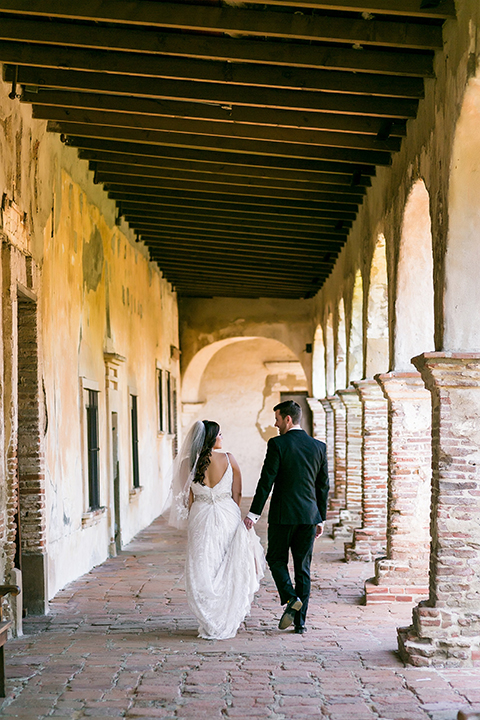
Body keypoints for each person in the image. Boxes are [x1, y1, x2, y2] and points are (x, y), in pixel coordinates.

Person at [168, 420, 265, 640]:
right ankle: (225, 616)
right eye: (220, 434)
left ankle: (209, 618)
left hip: (200, 515)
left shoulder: (186, 463)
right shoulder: (228, 459)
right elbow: (237, 494)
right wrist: (230, 511)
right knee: (228, 562)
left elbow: (186, 497)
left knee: (203, 564)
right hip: (226, 513)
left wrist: (198, 510)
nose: (222, 438)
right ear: (211, 438)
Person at [244, 400, 329, 634]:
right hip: (309, 516)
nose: (275, 423)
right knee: (303, 568)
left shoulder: (277, 444)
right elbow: (323, 487)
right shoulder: (318, 447)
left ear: (288, 419)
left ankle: (291, 599)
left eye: (278, 419)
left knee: (275, 559)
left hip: (283, 516)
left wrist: (253, 513)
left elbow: (266, 480)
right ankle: (300, 623)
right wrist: (320, 518)